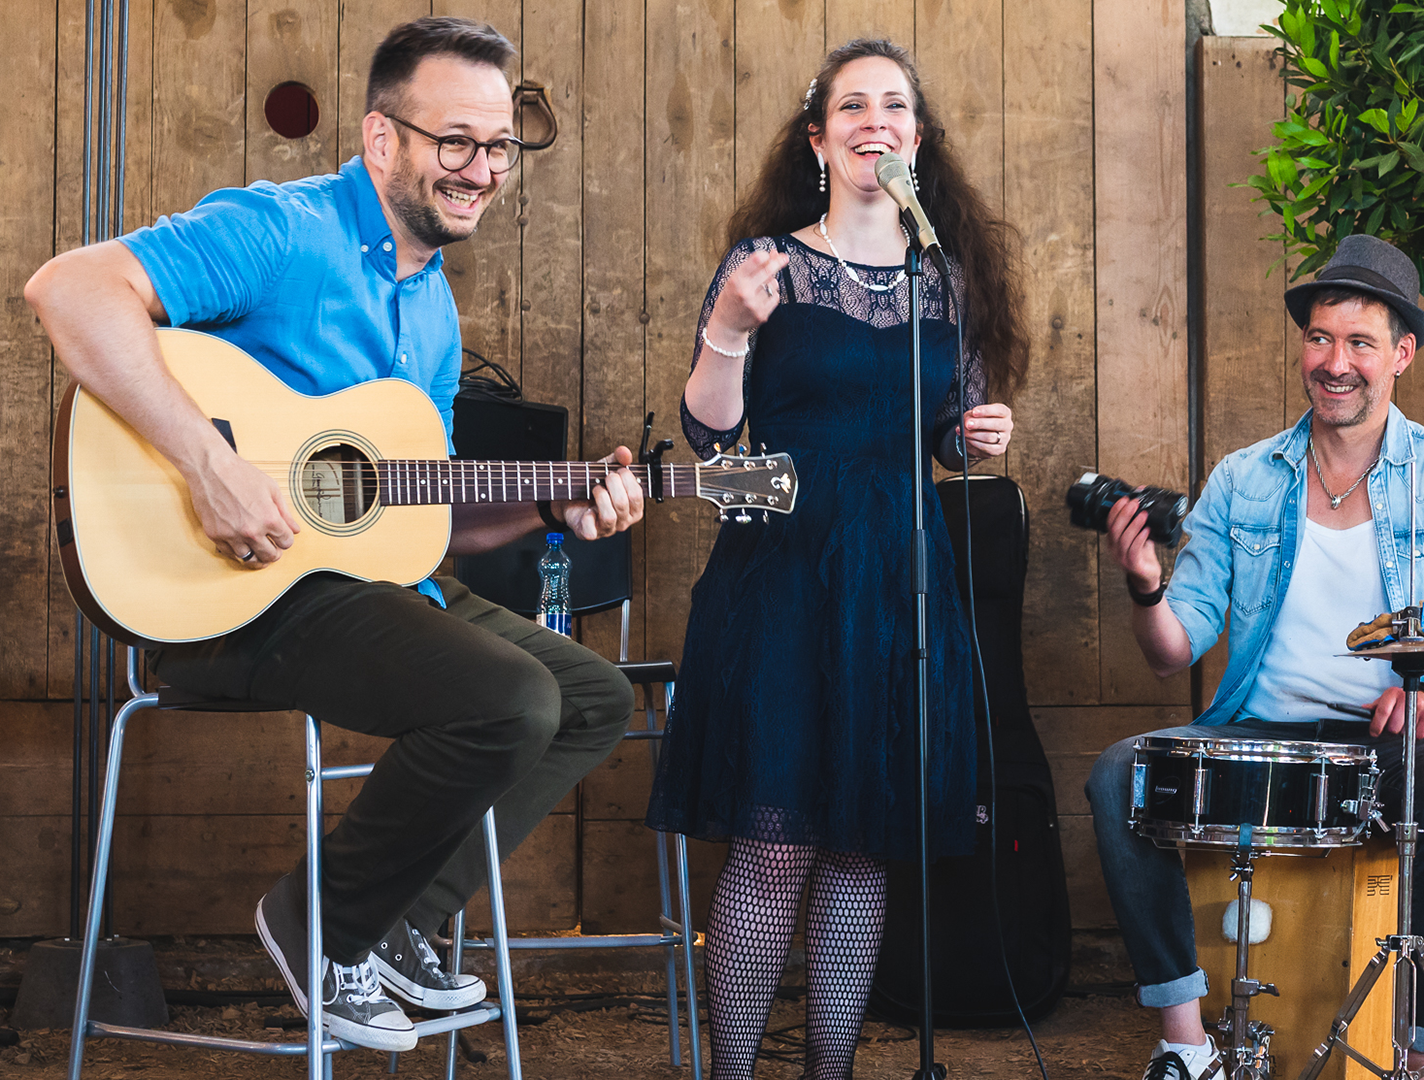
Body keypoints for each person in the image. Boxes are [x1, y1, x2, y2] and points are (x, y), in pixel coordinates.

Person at [25, 17, 645, 1053]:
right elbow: (69, 290)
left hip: (347, 588)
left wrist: (551, 507)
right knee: (510, 697)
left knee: (590, 697)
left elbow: (414, 506)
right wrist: (208, 463)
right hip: (223, 597)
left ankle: (394, 920)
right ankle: (321, 923)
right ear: (380, 139)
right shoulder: (284, 230)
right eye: (455, 141)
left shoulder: (432, 308)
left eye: (498, 148)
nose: (482, 170)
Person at [643, 39, 1029, 1080]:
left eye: (894, 105)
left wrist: (972, 435)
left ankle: (833, 1072)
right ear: (819, 140)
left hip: (897, 583)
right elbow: (709, 437)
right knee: (773, 845)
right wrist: (728, 330)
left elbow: (942, 431)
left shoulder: (945, 281)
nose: (876, 120)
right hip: (780, 574)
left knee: (862, 844)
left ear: (914, 137)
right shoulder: (768, 263)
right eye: (852, 105)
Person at [1092, 235, 1424, 1079]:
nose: (1336, 363)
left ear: (1401, 354)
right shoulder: (1244, 479)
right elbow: (1170, 651)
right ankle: (1187, 1046)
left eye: (1360, 343)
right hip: (1263, 732)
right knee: (1120, 774)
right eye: (1321, 339)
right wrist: (1146, 585)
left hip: (1392, 740)